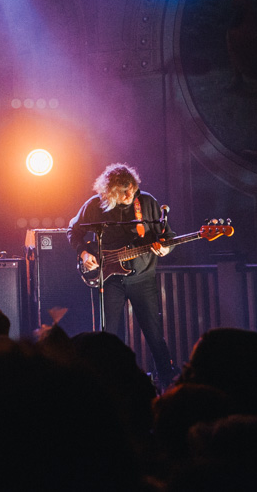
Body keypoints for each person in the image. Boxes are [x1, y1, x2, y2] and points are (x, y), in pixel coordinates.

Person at [67, 162, 176, 388]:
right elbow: (73, 230)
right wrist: (84, 253)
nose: (129, 195)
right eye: (122, 192)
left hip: (142, 278)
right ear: (109, 193)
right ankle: (112, 384)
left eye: (132, 189)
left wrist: (166, 248)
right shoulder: (95, 206)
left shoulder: (147, 202)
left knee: (154, 335)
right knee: (110, 336)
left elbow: (167, 236)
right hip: (109, 280)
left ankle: (168, 383)